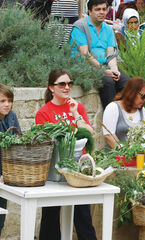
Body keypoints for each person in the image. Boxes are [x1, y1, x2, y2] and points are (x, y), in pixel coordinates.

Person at [35, 69, 96, 240]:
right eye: (62, 84)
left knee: (83, 216)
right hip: (56, 169)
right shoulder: (44, 113)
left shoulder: (78, 107)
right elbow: (45, 143)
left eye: (69, 83)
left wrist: (75, 113)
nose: (67, 87)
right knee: (50, 216)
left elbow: (90, 133)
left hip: (78, 169)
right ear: (51, 87)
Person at [70, 0, 130, 109]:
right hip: (84, 67)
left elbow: (111, 55)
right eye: (97, 9)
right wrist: (104, 70)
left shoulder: (108, 29)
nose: (101, 12)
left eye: (104, 9)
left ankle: (126, 116)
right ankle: (110, 117)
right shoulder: (80, 27)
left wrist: (114, 70)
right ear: (89, 11)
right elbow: (85, 54)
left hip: (104, 66)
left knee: (127, 83)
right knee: (108, 82)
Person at [102, 76, 145, 149]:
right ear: (132, 93)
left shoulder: (142, 111)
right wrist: (126, 154)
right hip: (116, 157)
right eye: (143, 96)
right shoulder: (113, 107)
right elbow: (109, 135)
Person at [0, 83, 21, 236]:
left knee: (0, 220)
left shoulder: (12, 116)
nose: (7, 104)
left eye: (9, 100)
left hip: (5, 175)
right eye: (2, 101)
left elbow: (19, 140)